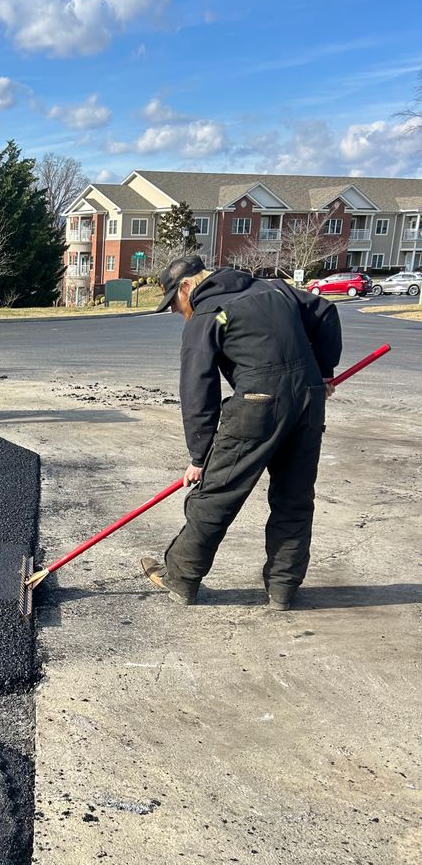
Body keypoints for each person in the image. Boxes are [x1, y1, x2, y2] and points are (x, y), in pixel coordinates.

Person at [141, 255, 342, 610]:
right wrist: (323, 371)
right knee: (294, 498)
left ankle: (181, 577)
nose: (175, 310)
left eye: (174, 301)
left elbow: (197, 389)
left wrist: (199, 456)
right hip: (308, 401)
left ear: (188, 286)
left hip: (257, 405)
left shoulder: (207, 315)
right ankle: (283, 589)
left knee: (218, 495)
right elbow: (325, 312)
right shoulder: (275, 289)